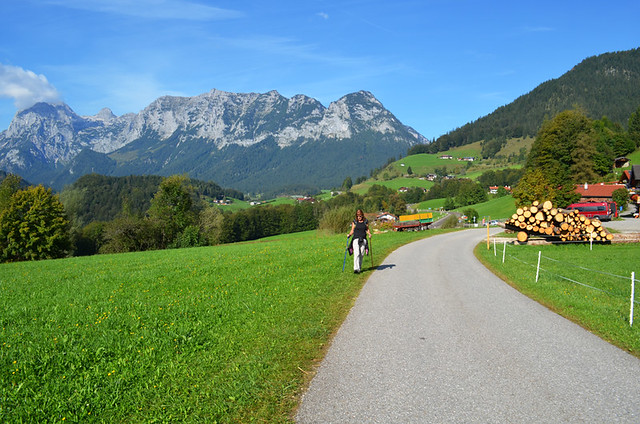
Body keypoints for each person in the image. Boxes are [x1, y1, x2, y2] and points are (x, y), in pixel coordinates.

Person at [347, 209, 371, 274]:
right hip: (356, 239)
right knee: (356, 253)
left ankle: (359, 268)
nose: (359, 217)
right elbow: (352, 230)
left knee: (362, 254)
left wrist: (369, 234)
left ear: (362, 215)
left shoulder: (366, 221)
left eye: (360, 216)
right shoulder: (355, 222)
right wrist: (349, 235)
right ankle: (356, 268)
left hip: (363, 239)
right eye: (357, 216)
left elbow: (367, 229)